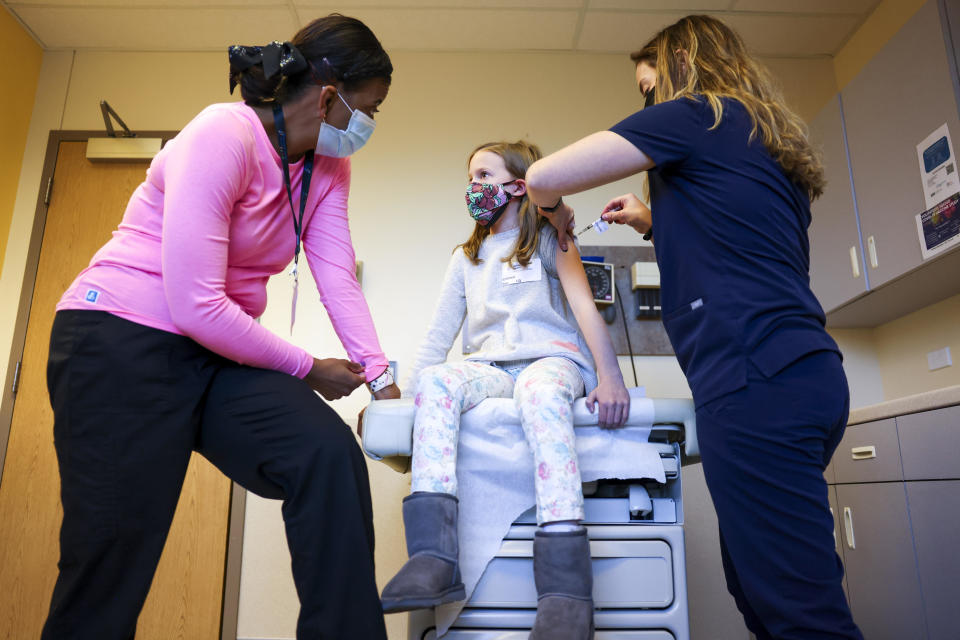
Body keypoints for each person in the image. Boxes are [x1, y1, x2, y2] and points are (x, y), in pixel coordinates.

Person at [42, 14, 398, 640]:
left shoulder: (326, 168)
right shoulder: (222, 134)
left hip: (214, 356)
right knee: (112, 556)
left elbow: (337, 276)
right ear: (327, 95)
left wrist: (382, 381)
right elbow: (197, 303)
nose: (368, 124)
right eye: (368, 108)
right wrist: (309, 368)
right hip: (119, 339)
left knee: (325, 453)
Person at [524, 15, 863, 640]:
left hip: (755, 379)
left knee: (800, 615)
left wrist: (549, 209)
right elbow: (740, 242)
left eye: (648, 86)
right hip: (807, 374)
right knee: (761, 590)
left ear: (680, 61)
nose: (647, 100)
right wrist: (653, 223)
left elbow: (543, 177)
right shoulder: (761, 142)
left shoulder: (694, 113)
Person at [377, 141, 630, 640]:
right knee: (437, 380)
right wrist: (409, 405)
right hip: (490, 367)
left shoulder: (553, 242)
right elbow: (438, 338)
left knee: (537, 394)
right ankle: (435, 558)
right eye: (470, 177)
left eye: (483, 176)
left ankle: (566, 592)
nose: (473, 188)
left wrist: (610, 376)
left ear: (518, 186)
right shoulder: (465, 259)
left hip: (552, 362)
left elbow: (584, 309)